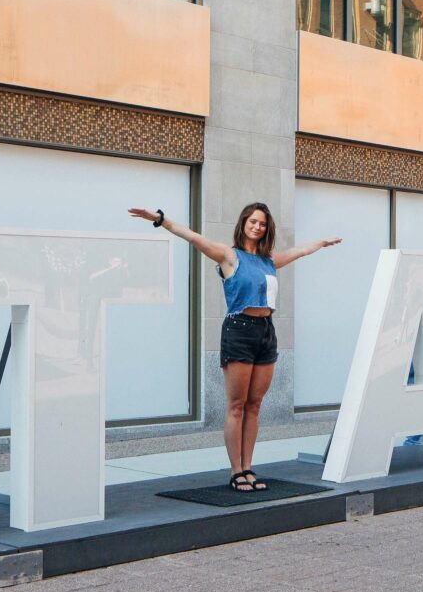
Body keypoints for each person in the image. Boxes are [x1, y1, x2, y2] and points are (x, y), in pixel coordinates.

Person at [129, 203, 339, 492]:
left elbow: (299, 252)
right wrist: (161, 220)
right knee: (237, 406)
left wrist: (320, 244)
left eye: (263, 223)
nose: (257, 227)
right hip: (239, 330)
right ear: (243, 224)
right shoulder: (229, 256)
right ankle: (236, 470)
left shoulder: (269, 261)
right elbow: (193, 237)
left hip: (267, 331)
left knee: (255, 405)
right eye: (253, 221)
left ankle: (249, 466)